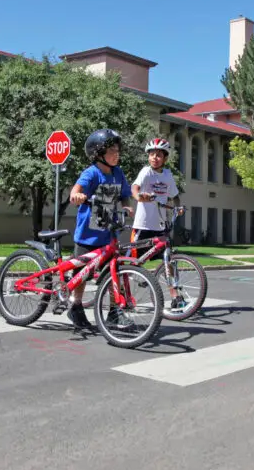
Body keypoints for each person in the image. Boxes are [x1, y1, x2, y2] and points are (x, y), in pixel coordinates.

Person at [67, 128, 134, 329]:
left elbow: (124, 194)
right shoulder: (91, 173)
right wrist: (76, 196)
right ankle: (76, 307)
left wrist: (126, 205)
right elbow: (75, 191)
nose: (117, 154)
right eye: (112, 150)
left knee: (114, 272)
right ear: (98, 153)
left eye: (117, 150)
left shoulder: (118, 173)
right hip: (88, 236)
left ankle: (114, 311)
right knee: (81, 275)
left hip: (108, 233)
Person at [130, 137, 186, 311]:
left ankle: (175, 296)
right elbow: (135, 188)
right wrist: (139, 197)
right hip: (143, 225)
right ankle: (124, 295)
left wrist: (179, 207)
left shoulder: (168, 175)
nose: (155, 158)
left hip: (160, 226)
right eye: (152, 154)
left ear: (165, 158)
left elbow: (175, 195)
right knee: (132, 262)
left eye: (159, 155)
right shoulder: (146, 172)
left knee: (168, 260)